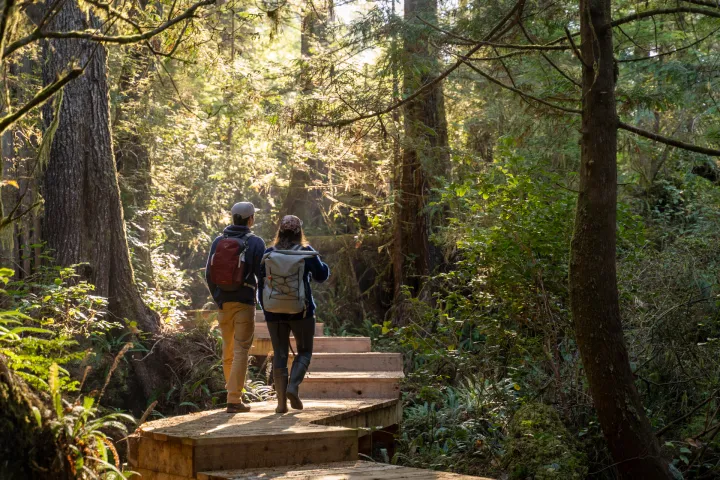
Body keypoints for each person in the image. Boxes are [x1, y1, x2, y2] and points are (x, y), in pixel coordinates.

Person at [259, 215, 330, 413]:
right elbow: (321, 276)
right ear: (300, 232)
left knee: (280, 354)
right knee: (305, 351)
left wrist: (266, 310)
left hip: (274, 312)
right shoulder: (306, 252)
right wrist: (319, 261)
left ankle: (281, 404)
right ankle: (293, 386)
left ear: (279, 232)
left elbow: (260, 283)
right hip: (302, 312)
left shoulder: (269, 253)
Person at [205, 202, 266, 413]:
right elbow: (262, 275)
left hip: (224, 303)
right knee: (241, 350)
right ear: (251, 219)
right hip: (245, 302)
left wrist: (218, 298)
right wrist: (263, 302)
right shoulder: (256, 242)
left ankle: (231, 396)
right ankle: (234, 399)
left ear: (232, 218)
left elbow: (208, 274)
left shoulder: (218, 241)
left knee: (228, 350)